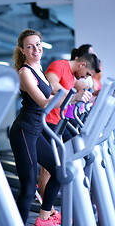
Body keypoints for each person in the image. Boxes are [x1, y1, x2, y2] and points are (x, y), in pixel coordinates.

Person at [9, 29, 92, 226]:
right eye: (30, 46)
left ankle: (44, 218)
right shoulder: (25, 72)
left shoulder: (39, 70)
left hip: (37, 131)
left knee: (59, 172)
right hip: (24, 131)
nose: (35, 49)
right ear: (22, 51)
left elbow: (56, 94)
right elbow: (44, 103)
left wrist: (76, 94)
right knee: (28, 189)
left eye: (38, 44)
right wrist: (73, 97)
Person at [38, 51, 100, 215]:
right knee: (49, 169)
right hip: (47, 122)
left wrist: (88, 94)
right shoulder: (59, 65)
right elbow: (51, 85)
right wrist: (72, 95)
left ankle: (70, 202)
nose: (84, 77)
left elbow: (85, 90)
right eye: (86, 73)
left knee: (84, 154)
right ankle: (48, 210)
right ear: (82, 65)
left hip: (58, 121)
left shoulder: (73, 76)